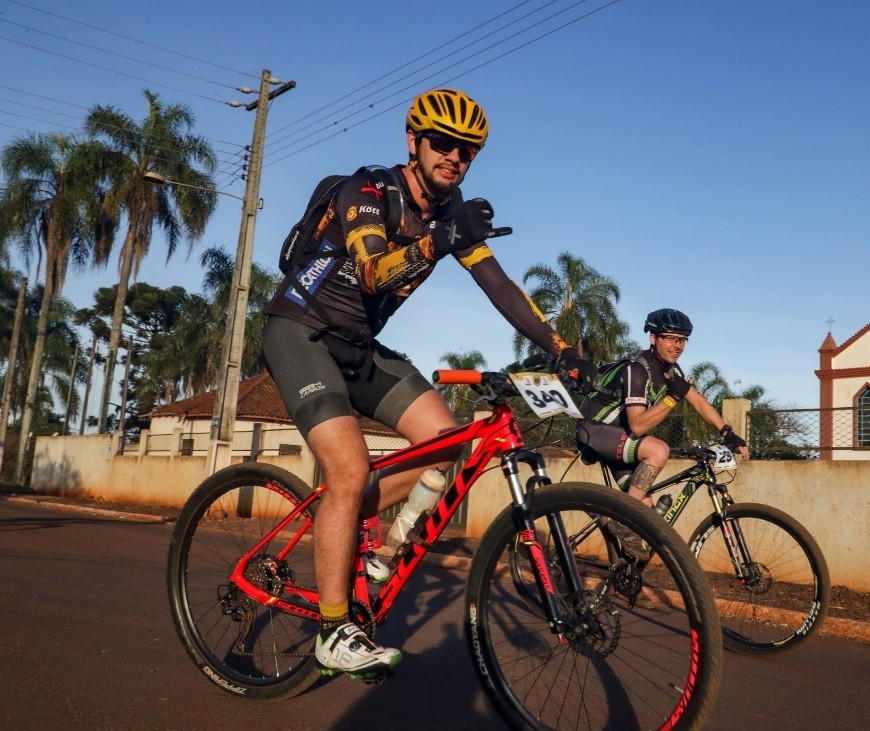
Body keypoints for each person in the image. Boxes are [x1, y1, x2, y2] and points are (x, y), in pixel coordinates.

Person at [262, 88, 596, 679]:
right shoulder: (365, 191)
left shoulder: (450, 211)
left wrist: (562, 348)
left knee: (448, 440)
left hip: (359, 348)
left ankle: (367, 545)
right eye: (442, 143)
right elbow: (370, 274)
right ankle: (334, 628)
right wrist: (438, 240)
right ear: (413, 142)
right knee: (348, 469)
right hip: (301, 331)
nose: (455, 157)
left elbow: (500, 287)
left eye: (468, 151)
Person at [576, 308, 748, 558]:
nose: (677, 345)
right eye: (670, 338)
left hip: (620, 439)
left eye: (682, 340)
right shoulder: (636, 370)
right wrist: (670, 399)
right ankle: (621, 520)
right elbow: (638, 426)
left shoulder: (672, 373)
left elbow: (698, 402)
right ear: (653, 338)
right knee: (658, 451)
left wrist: (727, 432)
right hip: (595, 431)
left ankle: (621, 572)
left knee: (646, 518)